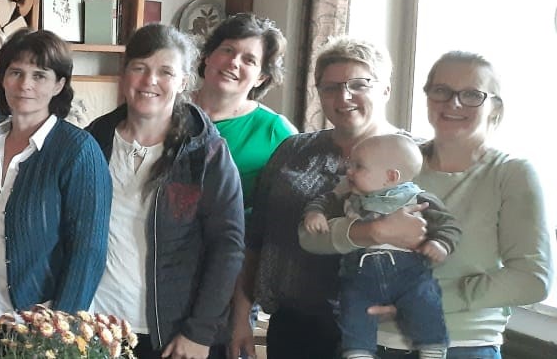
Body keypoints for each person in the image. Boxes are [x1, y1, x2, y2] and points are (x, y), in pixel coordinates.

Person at [302, 51, 551, 359]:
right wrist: (374, 231)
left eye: (472, 94)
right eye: (441, 90)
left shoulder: (511, 173)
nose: (453, 103)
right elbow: (309, 237)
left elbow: (532, 279)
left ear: (495, 106)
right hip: (370, 346)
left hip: (463, 347)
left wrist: (417, 301)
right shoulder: (393, 160)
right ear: (427, 97)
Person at [227, 36, 402, 359]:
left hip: (379, 335)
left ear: (385, 90)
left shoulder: (413, 158)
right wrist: (241, 319)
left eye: (359, 85)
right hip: (294, 326)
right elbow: (255, 239)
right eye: (330, 87)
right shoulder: (293, 150)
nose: (344, 97)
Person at [84, 24, 244, 359]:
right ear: (124, 74)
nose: (150, 81)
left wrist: (199, 332)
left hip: (171, 335)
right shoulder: (93, 140)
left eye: (165, 72)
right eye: (139, 68)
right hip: (96, 329)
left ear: (183, 81)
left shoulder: (207, 153)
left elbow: (227, 248)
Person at [0, 30, 112, 359]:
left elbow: (89, 252)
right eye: (16, 72)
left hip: (39, 328)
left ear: (59, 85)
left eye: (39, 75)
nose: (25, 84)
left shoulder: (78, 151)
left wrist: (60, 330)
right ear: (3, 79)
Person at [301, 134, 458, 359]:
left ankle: (432, 344)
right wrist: (315, 213)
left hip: (409, 275)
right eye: (350, 164)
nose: (348, 171)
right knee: (352, 307)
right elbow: (323, 202)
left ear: (391, 176)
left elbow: (448, 225)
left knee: (426, 298)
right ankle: (358, 351)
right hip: (359, 275)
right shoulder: (350, 199)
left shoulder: (419, 199)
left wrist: (441, 244)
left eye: (358, 166)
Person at [188, 14, 295, 217]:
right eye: (228, 50)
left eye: (249, 60)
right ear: (208, 56)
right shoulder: (168, 108)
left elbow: (293, 201)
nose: (234, 62)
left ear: (261, 77)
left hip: (233, 235)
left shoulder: (274, 131)